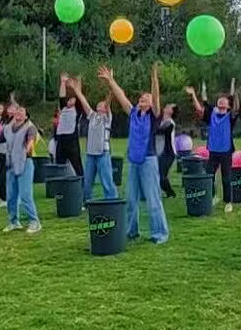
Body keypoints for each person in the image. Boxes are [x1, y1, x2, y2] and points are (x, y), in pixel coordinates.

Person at [100, 63, 169, 244]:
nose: (143, 98)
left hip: (149, 161)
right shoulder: (133, 113)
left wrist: (154, 78)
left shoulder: (154, 116)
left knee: (153, 200)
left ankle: (159, 234)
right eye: (141, 97)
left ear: (152, 103)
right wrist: (110, 80)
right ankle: (132, 231)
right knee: (131, 200)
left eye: (147, 98)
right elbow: (121, 95)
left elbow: (156, 96)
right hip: (134, 162)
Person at [187, 78, 239, 213]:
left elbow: (233, 100)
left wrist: (232, 84)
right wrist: (194, 93)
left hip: (226, 151)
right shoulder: (211, 115)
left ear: (228, 105)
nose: (221, 101)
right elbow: (200, 106)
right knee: (209, 175)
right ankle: (214, 196)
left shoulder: (230, 116)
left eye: (224, 100)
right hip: (213, 151)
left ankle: (228, 202)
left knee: (226, 178)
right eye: (219, 100)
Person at [66, 77, 118, 202]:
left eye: (102, 104)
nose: (99, 105)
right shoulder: (92, 115)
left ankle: (111, 201)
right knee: (88, 181)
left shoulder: (107, 118)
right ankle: (86, 201)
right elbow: (83, 101)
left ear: (105, 108)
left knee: (107, 180)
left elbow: (108, 101)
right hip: (90, 154)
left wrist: (110, 88)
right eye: (98, 104)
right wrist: (76, 89)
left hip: (102, 153)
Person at [0, 103, 41, 233]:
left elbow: (31, 139)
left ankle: (34, 222)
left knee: (25, 194)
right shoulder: (7, 128)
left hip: (25, 164)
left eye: (22, 111)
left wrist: (29, 146)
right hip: (11, 165)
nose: (19, 112)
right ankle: (14, 222)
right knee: (11, 196)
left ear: (26, 116)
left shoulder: (30, 127)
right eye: (17, 111)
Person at [55, 73, 85, 176]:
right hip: (61, 140)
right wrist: (62, 82)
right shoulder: (63, 108)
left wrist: (78, 83)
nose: (69, 101)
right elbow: (61, 96)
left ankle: (81, 183)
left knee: (77, 164)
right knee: (59, 165)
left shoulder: (77, 109)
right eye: (69, 100)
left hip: (71, 140)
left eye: (72, 99)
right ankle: (60, 185)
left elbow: (80, 96)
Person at [156, 104, 178, 197]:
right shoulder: (161, 121)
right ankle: (167, 192)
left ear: (171, 111)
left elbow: (159, 131)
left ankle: (171, 193)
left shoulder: (170, 123)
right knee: (159, 174)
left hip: (168, 153)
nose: (166, 106)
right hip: (160, 152)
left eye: (169, 106)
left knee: (161, 176)